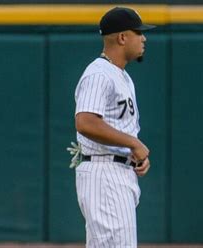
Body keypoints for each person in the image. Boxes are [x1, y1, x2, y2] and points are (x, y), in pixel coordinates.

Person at [71, 6, 155, 247]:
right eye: (138, 32)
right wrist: (133, 143)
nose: (144, 38)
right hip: (104, 173)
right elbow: (85, 121)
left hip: (117, 172)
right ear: (122, 37)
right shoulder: (99, 74)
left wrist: (134, 154)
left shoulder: (121, 76)